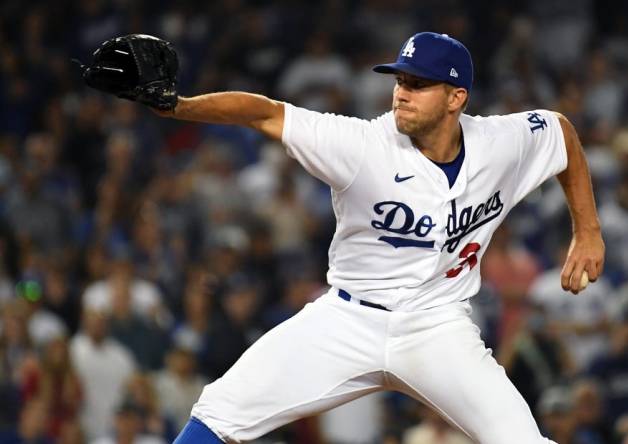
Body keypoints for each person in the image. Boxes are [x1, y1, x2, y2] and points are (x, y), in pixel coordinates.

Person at [144, 32, 604, 443]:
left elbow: (561, 134)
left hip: (437, 326)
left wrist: (587, 231)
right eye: (399, 81)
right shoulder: (360, 145)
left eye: (418, 85)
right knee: (220, 413)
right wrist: (178, 106)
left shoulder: (498, 143)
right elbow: (263, 114)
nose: (401, 94)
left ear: (456, 97)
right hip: (346, 320)